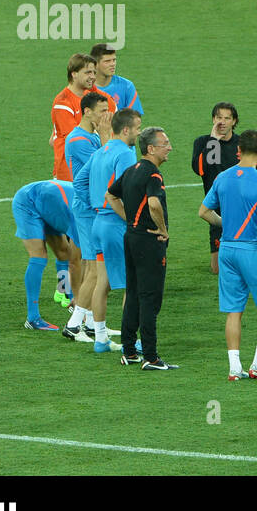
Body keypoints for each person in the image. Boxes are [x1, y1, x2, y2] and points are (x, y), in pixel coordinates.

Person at [198, 129, 257, 379]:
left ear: (237, 151)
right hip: (253, 250)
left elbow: (203, 212)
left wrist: (226, 224)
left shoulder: (223, 178)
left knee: (234, 311)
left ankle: (235, 368)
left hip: (227, 249)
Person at [106, 126, 176, 371]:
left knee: (134, 293)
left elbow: (110, 195)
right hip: (149, 242)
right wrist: (163, 230)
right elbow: (155, 204)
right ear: (151, 149)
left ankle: (129, 351)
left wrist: (130, 220)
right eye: (165, 143)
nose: (169, 147)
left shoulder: (131, 170)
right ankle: (151, 356)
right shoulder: (153, 175)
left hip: (131, 238)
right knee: (150, 298)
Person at [87, 108, 142, 353]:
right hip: (115, 224)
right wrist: (132, 222)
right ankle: (131, 340)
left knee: (103, 282)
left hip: (98, 223)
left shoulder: (101, 151)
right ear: (127, 129)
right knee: (133, 284)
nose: (140, 133)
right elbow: (123, 191)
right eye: (138, 128)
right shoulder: (126, 154)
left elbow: (80, 180)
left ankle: (100, 339)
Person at [191, 102, 257, 275]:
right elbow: (201, 170)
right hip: (217, 211)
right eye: (219, 118)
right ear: (213, 119)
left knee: (247, 262)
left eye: (227, 118)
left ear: (234, 121)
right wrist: (213, 141)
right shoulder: (204, 142)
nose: (222, 122)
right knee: (217, 269)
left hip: (244, 209)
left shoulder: (242, 145)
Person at [60, 91, 111, 341]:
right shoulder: (79, 139)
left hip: (93, 207)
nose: (107, 115)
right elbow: (103, 165)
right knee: (93, 268)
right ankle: (73, 324)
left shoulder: (88, 136)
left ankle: (91, 322)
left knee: (94, 266)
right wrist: (105, 137)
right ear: (87, 111)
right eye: (102, 111)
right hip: (88, 209)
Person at [13, 179, 79, 331]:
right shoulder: (79, 217)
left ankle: (65, 292)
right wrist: (81, 298)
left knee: (64, 252)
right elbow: (77, 263)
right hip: (27, 202)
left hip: (50, 204)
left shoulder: (83, 209)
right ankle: (33, 318)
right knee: (39, 256)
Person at [50, 53, 116, 181]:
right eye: (87, 73)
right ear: (74, 74)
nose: (92, 77)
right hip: (70, 175)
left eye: (94, 72)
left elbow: (116, 127)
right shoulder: (63, 103)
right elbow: (77, 140)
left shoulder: (99, 98)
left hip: (95, 169)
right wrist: (103, 133)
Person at [90, 43, 143, 115]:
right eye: (107, 61)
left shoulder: (127, 86)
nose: (112, 64)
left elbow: (133, 118)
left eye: (114, 60)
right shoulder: (85, 88)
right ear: (95, 64)